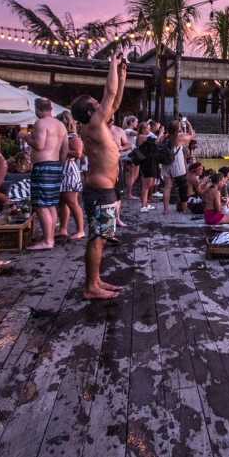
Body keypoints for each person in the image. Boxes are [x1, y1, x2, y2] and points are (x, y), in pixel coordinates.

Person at [68, 54, 127, 300]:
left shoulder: (97, 123)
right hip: (100, 191)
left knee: (101, 238)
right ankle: (90, 287)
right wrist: (111, 65)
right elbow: (110, 94)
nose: (100, 103)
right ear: (90, 110)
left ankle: (95, 280)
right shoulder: (93, 124)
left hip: (104, 190)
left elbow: (115, 101)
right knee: (97, 238)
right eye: (96, 102)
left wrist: (122, 76)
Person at [19, 98, 67, 250]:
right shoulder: (60, 125)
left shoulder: (41, 123)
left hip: (43, 166)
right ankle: (49, 236)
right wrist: (60, 165)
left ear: (37, 109)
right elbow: (65, 149)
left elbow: (39, 146)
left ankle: (48, 241)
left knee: (40, 205)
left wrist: (25, 137)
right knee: (50, 204)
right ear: (51, 108)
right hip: (55, 165)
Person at [56, 112, 85, 240]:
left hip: (69, 171)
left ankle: (80, 230)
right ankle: (63, 229)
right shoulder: (63, 136)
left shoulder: (73, 137)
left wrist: (63, 150)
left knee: (72, 202)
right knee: (62, 202)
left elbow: (78, 153)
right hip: (62, 170)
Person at [160, 118, 194, 214]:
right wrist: (189, 125)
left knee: (167, 187)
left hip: (166, 163)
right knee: (182, 187)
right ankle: (185, 209)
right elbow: (191, 135)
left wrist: (161, 132)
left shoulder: (164, 137)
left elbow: (157, 141)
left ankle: (165, 210)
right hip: (177, 163)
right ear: (177, 128)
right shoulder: (179, 138)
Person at [136, 121, 160, 212]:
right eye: (148, 129)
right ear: (143, 129)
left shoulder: (146, 136)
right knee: (146, 184)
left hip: (151, 160)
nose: (149, 131)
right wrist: (161, 132)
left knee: (150, 183)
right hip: (147, 162)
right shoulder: (141, 136)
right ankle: (143, 205)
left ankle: (145, 203)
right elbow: (156, 140)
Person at [121, 116, 140, 199]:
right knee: (131, 174)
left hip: (132, 153)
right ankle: (128, 193)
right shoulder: (128, 130)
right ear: (131, 122)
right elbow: (139, 133)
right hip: (129, 153)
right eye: (136, 122)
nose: (137, 124)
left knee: (134, 174)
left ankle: (127, 190)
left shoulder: (130, 131)